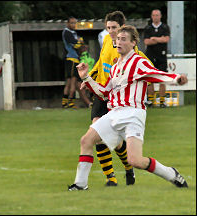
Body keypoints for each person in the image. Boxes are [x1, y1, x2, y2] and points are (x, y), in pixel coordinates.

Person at [68, 25, 188, 191]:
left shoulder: (138, 62)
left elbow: (156, 74)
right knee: (86, 140)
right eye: (117, 39)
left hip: (133, 114)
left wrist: (177, 78)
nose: (119, 42)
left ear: (133, 43)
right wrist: (86, 78)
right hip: (114, 113)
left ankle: (171, 173)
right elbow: (103, 92)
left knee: (135, 161)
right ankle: (80, 185)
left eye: (123, 39)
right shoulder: (116, 66)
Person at [84, 11, 153, 187]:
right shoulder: (107, 40)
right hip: (102, 93)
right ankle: (111, 178)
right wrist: (89, 77)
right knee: (97, 134)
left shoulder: (131, 50)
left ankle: (129, 168)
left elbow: (148, 68)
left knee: (115, 141)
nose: (111, 32)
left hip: (118, 97)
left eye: (114, 28)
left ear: (122, 28)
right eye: (108, 28)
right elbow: (101, 63)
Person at [61, 17, 92, 109]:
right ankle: (70, 102)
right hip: (71, 59)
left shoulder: (73, 33)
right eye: (72, 23)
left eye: (75, 23)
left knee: (70, 82)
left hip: (74, 59)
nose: (74, 25)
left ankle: (65, 103)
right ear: (67, 24)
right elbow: (76, 45)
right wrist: (80, 41)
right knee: (72, 82)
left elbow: (79, 43)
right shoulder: (67, 32)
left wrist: (80, 41)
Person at [144, 9, 170, 108]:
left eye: (157, 15)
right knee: (150, 79)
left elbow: (166, 39)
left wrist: (154, 39)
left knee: (162, 80)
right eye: (154, 15)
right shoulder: (148, 28)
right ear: (151, 16)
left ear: (160, 16)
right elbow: (146, 42)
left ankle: (162, 101)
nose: (155, 17)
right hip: (150, 57)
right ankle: (150, 101)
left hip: (162, 57)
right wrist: (160, 39)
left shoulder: (165, 27)